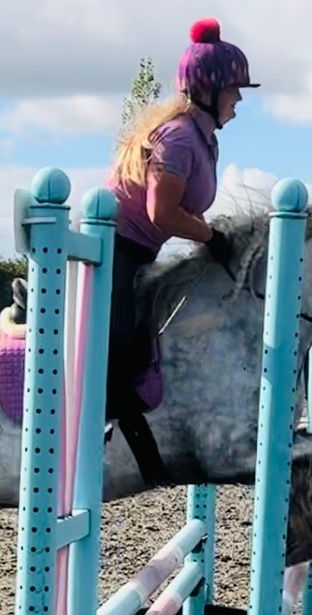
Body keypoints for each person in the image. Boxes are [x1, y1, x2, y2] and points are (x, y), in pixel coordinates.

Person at [103, 17, 259, 421]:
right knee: (120, 338)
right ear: (208, 90)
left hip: (141, 251)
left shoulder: (205, 141)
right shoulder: (176, 137)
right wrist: (211, 236)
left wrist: (218, 241)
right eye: (234, 91)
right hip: (115, 251)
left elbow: (190, 215)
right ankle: (102, 421)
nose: (239, 101)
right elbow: (163, 212)